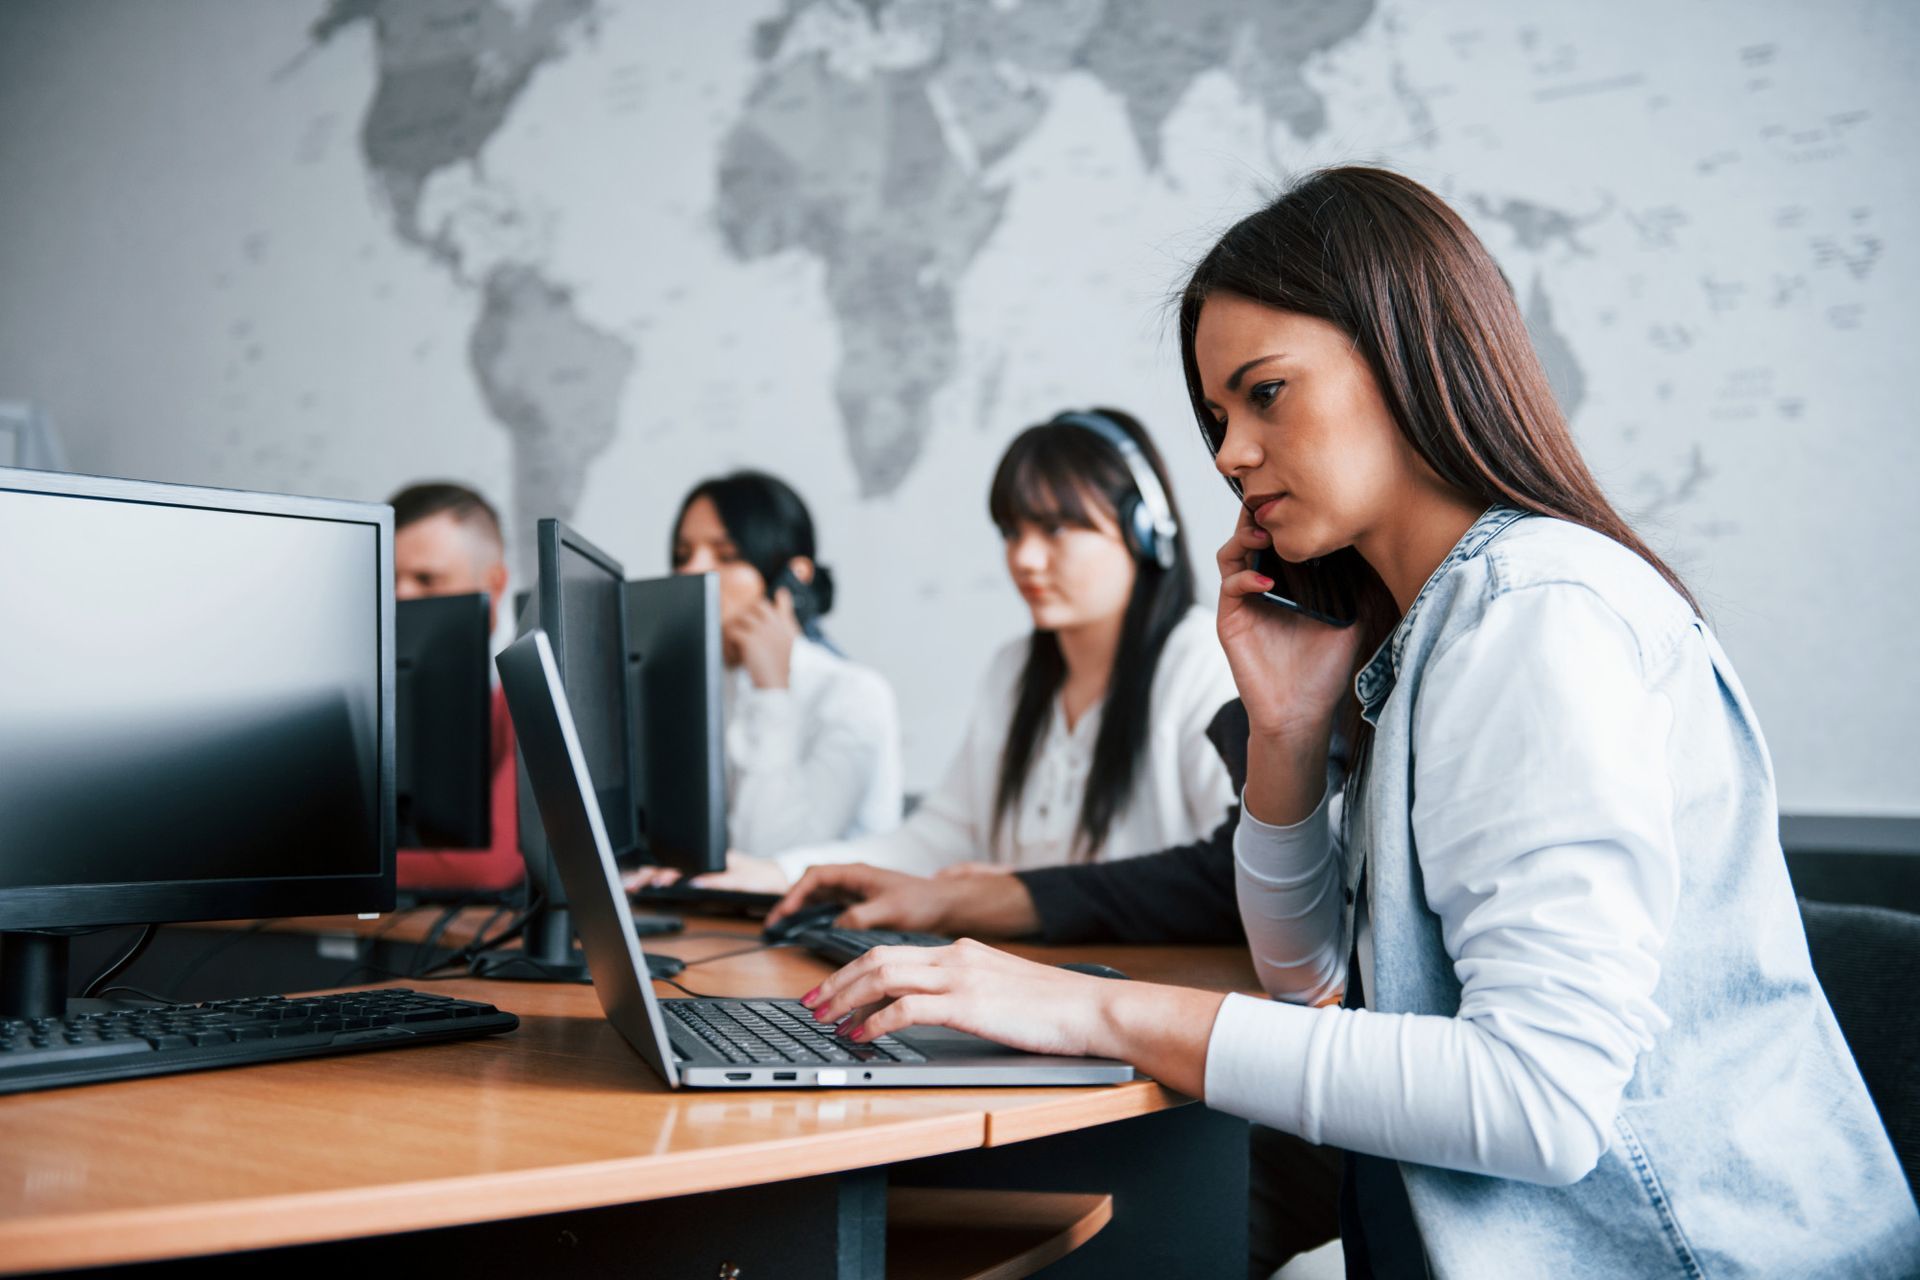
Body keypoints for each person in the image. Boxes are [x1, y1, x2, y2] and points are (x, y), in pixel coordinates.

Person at [791, 168, 1920, 1276]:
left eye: (1265, 393)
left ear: (1405, 357)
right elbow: (1306, 982)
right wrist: (1283, 735)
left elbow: (1542, 1099)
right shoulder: (1433, 630)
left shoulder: (1536, 618)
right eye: (1219, 415)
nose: (1229, 453)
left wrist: (1094, 1007)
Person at [711, 409, 1238, 895]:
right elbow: (938, 839)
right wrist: (778, 874)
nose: (1025, 559)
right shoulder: (1015, 670)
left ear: (1144, 533)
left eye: (1056, 528)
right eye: (1012, 532)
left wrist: (1020, 894)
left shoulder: (1200, 662)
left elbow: (1229, 868)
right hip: (1029, 977)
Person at [670, 470, 903, 858]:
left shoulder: (854, 695)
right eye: (682, 555)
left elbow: (771, 855)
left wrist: (771, 691)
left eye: (726, 556)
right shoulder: (701, 686)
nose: (690, 571)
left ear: (791, 579)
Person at [391, 482, 524, 895]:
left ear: (494, 587)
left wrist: (326, 872)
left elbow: (492, 866)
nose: (398, 596)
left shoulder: (523, 693)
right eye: (385, 577)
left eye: (426, 579)